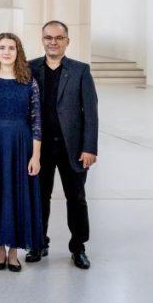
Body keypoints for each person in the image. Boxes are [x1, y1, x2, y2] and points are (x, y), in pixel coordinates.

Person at [27, 20, 98, 269]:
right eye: (48, 37)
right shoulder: (29, 68)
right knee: (38, 197)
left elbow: (90, 112)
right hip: (39, 148)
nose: (53, 42)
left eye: (58, 38)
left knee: (76, 199)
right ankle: (38, 243)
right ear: (42, 39)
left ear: (67, 41)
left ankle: (78, 247)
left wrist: (90, 148)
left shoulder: (80, 70)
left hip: (74, 149)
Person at [0, 33, 42, 272]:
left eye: (11, 48)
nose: (7, 52)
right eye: (2, 47)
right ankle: (0, 250)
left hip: (21, 144)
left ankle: (14, 251)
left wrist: (35, 156)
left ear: (18, 52)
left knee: (18, 194)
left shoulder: (28, 81)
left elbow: (36, 121)